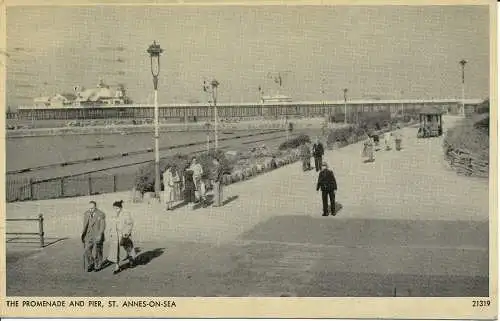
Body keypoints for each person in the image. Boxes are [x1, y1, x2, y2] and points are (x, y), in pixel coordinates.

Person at [107, 200, 137, 275]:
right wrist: (110, 233)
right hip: (115, 235)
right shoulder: (113, 215)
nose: (115, 209)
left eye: (116, 208)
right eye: (114, 208)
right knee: (115, 251)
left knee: (128, 248)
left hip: (124, 234)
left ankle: (131, 261)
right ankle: (117, 266)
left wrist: (126, 233)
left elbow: (130, 224)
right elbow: (111, 224)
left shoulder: (126, 214)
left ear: (120, 207)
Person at [81, 201, 106, 272]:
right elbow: (85, 225)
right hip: (88, 235)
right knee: (87, 250)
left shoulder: (101, 214)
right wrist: (84, 235)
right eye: (89, 208)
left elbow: (102, 226)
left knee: (98, 251)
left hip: (97, 235)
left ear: (95, 207)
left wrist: (100, 235)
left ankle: (98, 265)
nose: (91, 210)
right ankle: (91, 263)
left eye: (92, 208)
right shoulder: (86, 213)